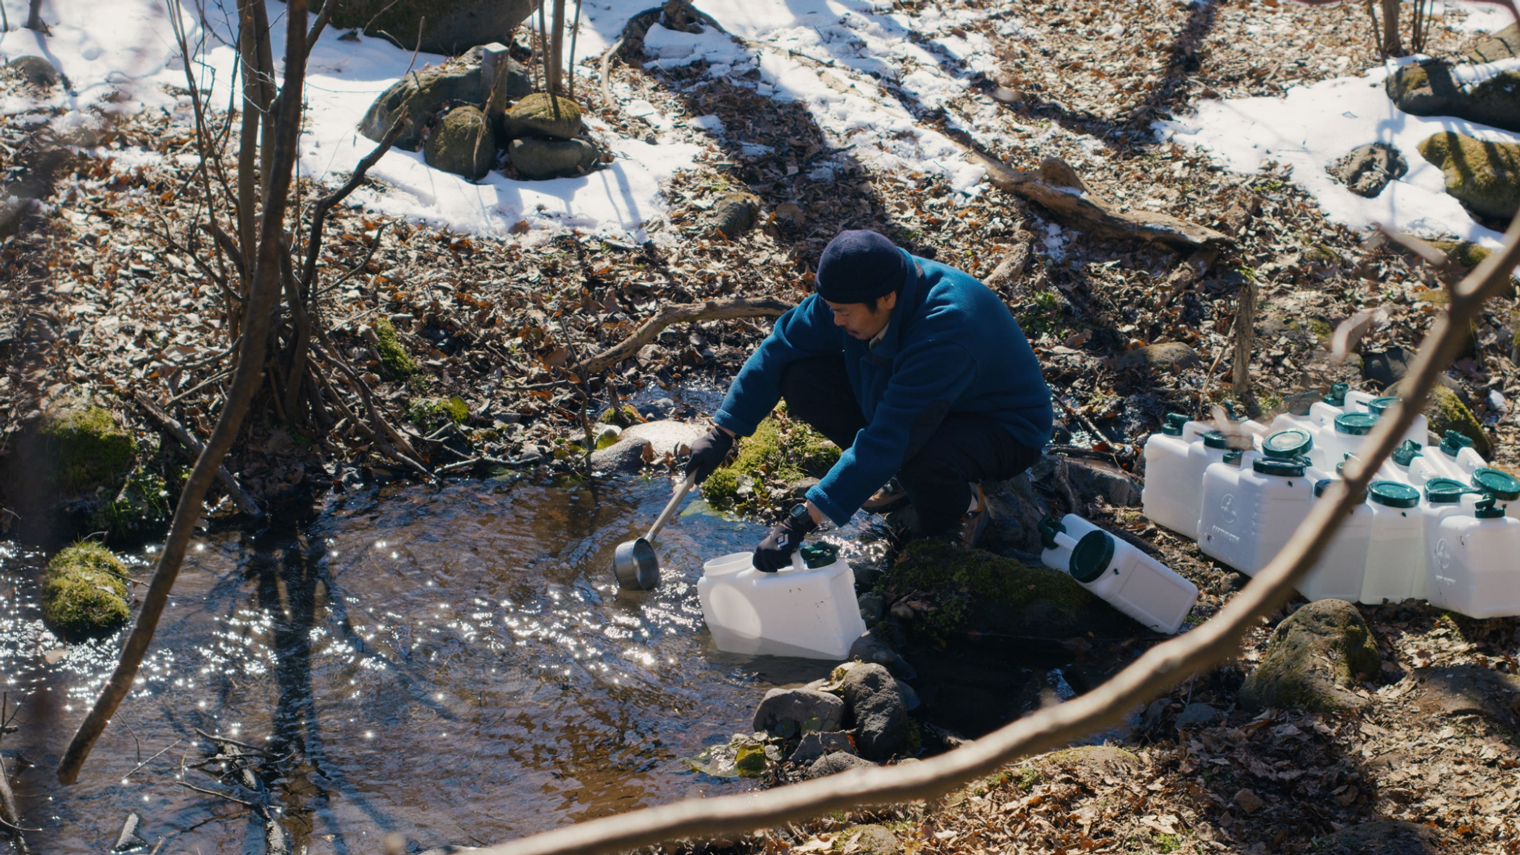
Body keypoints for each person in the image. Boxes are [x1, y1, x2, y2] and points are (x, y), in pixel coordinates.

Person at [686, 229, 1053, 571]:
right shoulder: (856, 291)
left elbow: (893, 435)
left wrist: (801, 520)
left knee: (919, 457)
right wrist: (724, 432)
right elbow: (779, 348)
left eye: (844, 312)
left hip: (1004, 427)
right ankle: (897, 480)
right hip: (929, 403)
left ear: (887, 299)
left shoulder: (946, 329)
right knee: (800, 378)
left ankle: (965, 508)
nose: (835, 319)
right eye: (830, 307)